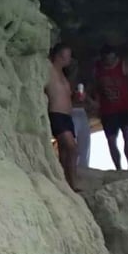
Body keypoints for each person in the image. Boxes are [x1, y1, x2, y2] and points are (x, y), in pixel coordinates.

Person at [92, 44, 128, 170]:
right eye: (106, 60)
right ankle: (118, 168)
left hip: (124, 107)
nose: (109, 62)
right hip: (107, 110)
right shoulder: (97, 69)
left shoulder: (123, 66)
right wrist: (96, 104)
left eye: (112, 59)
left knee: (127, 133)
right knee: (111, 139)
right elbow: (95, 88)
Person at [45, 44, 79, 191]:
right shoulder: (49, 69)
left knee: (66, 150)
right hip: (56, 114)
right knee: (72, 148)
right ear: (60, 55)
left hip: (67, 116)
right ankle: (72, 183)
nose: (70, 59)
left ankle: (66, 181)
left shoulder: (63, 74)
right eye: (68, 55)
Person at [70, 73, 93, 170]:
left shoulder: (84, 86)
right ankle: (72, 166)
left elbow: (93, 105)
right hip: (71, 111)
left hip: (82, 112)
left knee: (85, 142)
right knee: (72, 141)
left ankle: (83, 167)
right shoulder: (66, 83)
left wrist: (86, 99)